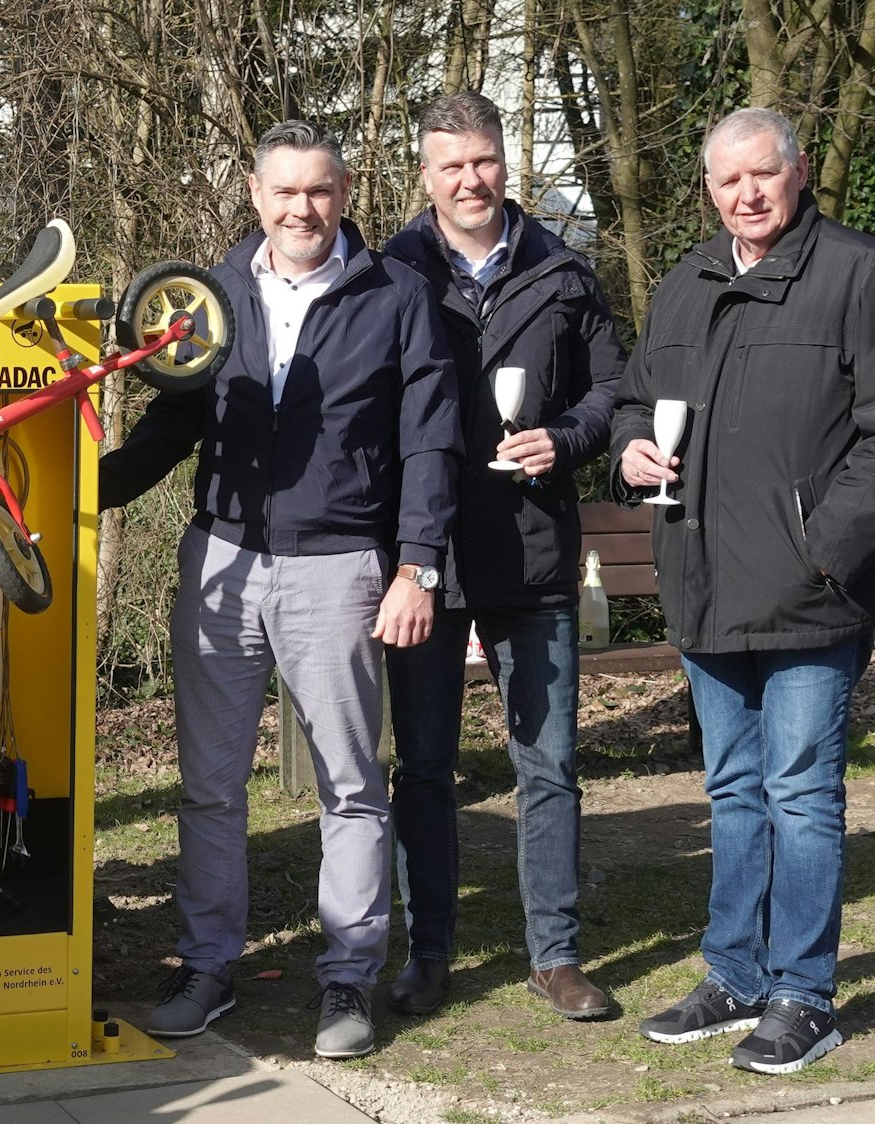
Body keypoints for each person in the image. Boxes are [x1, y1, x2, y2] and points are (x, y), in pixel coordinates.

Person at [100, 120, 458, 1060]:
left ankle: (348, 978)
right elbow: (172, 425)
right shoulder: (212, 297)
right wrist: (83, 492)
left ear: (345, 196)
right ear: (256, 197)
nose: (304, 208)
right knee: (211, 788)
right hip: (220, 561)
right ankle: (208, 965)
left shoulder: (398, 297)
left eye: (321, 191)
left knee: (348, 786)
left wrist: (418, 563)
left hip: (340, 569)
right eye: (285, 192)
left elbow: (430, 443)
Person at [613, 107, 875, 1074]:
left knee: (800, 792)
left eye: (763, 176)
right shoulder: (687, 283)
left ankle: (802, 994)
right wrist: (627, 446)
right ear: (707, 188)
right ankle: (733, 973)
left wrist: (822, 548)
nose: (746, 195)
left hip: (811, 592)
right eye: (727, 181)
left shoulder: (862, 274)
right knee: (733, 788)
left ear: (798, 172)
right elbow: (630, 395)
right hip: (703, 579)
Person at [378, 92, 625, 1021]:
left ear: (505, 162)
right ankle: (430, 951)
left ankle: (555, 956)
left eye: (482, 161)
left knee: (549, 765)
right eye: (451, 165)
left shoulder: (565, 269)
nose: (470, 180)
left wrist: (565, 438)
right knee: (426, 766)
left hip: (532, 550)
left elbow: (613, 388)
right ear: (426, 175)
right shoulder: (387, 270)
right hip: (425, 555)